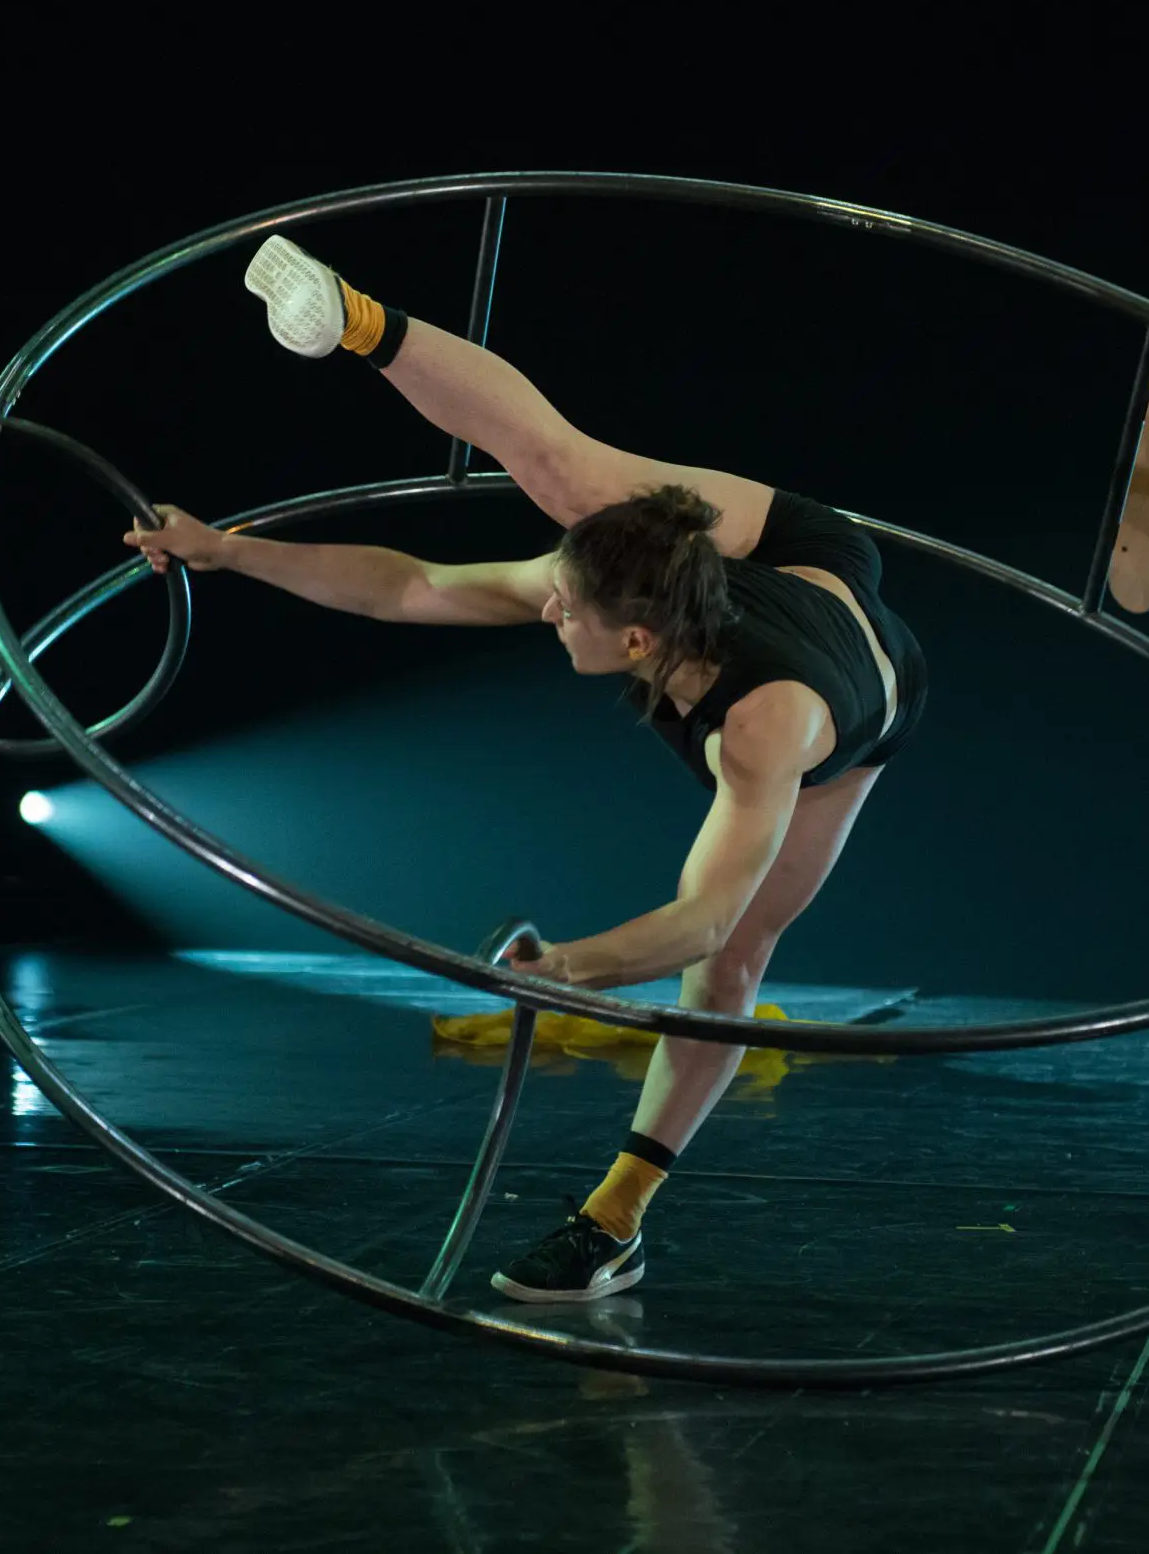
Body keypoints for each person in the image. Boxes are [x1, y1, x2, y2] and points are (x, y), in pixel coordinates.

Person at [123, 235, 933, 1304]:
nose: (544, 607)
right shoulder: (619, 578)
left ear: (636, 643)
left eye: (565, 610)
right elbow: (411, 585)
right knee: (572, 475)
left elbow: (698, 923)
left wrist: (565, 969)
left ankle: (614, 1219)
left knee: (731, 965)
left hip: (863, 694)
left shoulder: (763, 730)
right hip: (802, 546)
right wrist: (228, 550)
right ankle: (354, 315)